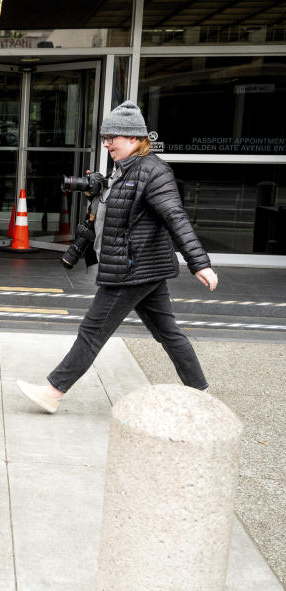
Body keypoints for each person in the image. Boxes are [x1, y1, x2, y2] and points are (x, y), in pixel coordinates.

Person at [17, 101, 219, 414]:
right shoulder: (126, 170)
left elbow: (175, 217)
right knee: (168, 332)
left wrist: (200, 263)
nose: (107, 143)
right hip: (142, 267)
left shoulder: (154, 172)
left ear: (136, 138)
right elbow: (122, 213)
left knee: (92, 331)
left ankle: (53, 392)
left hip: (131, 268)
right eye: (105, 137)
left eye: (113, 137)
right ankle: (202, 394)